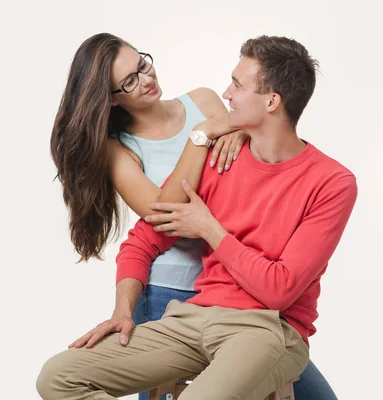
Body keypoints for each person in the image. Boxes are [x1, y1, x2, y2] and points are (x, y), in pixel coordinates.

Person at [48, 33, 345, 399]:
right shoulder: (200, 156)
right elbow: (150, 230)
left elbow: (279, 290)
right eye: (129, 80)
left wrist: (208, 219)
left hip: (263, 324)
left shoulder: (329, 181)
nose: (226, 94)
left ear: (271, 100)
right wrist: (121, 311)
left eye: (236, 84)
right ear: (112, 98)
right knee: (57, 377)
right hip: (182, 307)